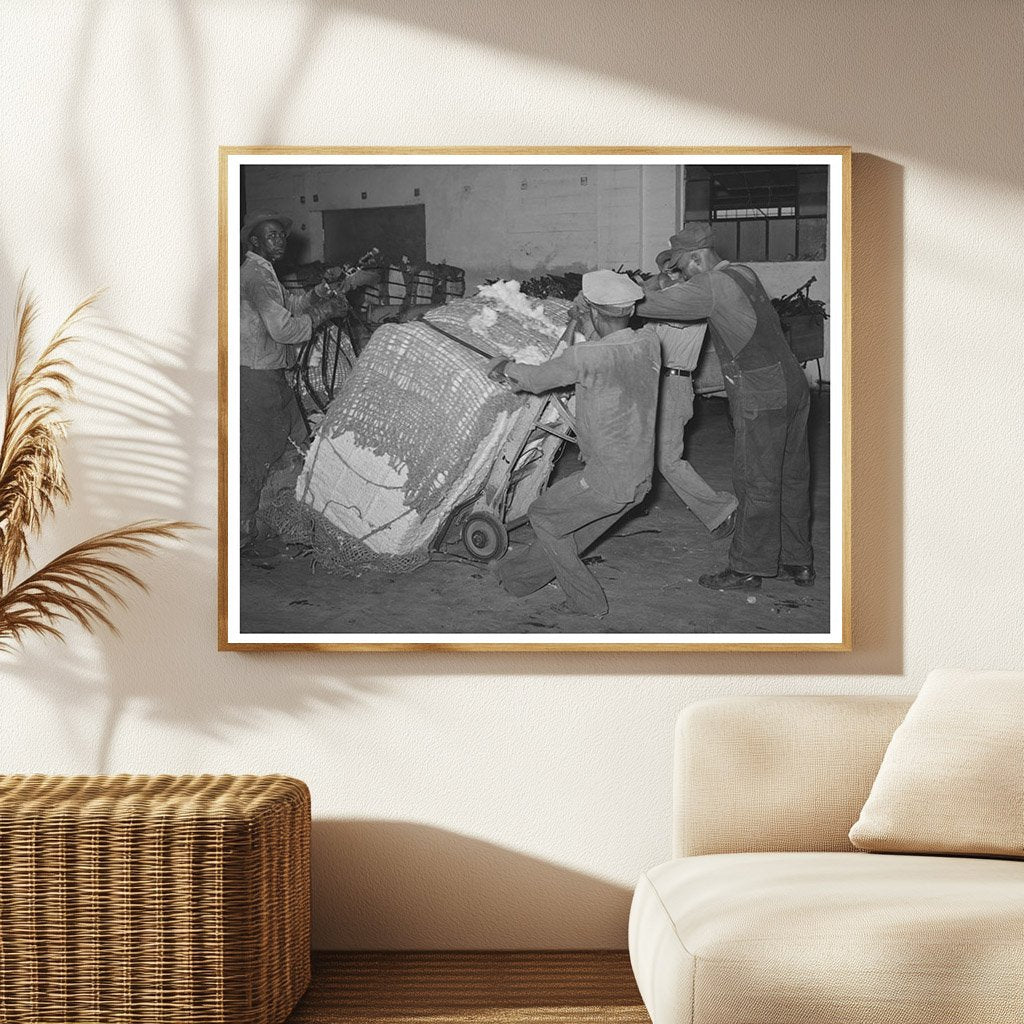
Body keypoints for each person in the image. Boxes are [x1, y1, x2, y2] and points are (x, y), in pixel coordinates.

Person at [636, 221, 814, 591]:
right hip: (794, 384)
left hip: (762, 392)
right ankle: (798, 561)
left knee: (755, 480)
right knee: (792, 476)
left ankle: (749, 567)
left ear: (697, 258)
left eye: (682, 267)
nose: (682, 276)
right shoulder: (742, 272)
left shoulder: (709, 286)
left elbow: (640, 305)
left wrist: (621, 289)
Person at [490, 270, 660, 617]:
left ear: (595, 313)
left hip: (607, 480)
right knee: (571, 529)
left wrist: (505, 366)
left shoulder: (586, 357)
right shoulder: (649, 342)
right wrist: (587, 319)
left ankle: (587, 602)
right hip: (641, 477)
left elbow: (538, 379)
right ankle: (518, 579)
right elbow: (603, 350)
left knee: (544, 516)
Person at [239, 211, 346, 546]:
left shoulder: (265, 272)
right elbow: (283, 328)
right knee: (258, 451)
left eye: (281, 235)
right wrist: (324, 313)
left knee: (299, 431)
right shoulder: (256, 277)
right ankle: (242, 532)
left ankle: (285, 504)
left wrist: (319, 294)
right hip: (255, 376)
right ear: (254, 242)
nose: (280, 240)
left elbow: (291, 304)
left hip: (270, 373)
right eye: (271, 235)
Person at [647, 248, 738, 537]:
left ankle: (720, 509)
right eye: (663, 272)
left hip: (673, 385)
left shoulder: (691, 303)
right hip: (655, 383)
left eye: (672, 271)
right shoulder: (667, 305)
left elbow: (652, 305)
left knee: (667, 459)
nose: (666, 278)